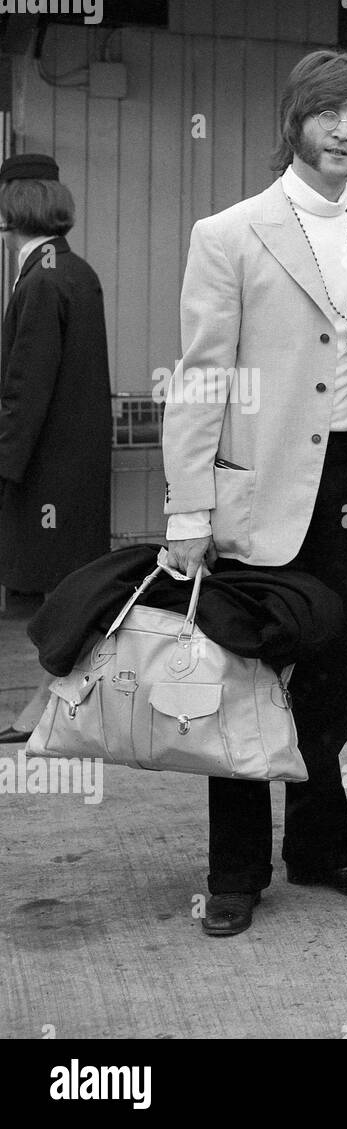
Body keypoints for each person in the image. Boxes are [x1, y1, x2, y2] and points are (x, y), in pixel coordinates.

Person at [162, 49, 347, 936]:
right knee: (240, 680)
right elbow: (198, 381)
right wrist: (187, 512)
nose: (346, 131)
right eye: (331, 113)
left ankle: (316, 841)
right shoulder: (227, 234)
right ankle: (234, 871)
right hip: (255, 489)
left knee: (338, 680)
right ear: (295, 121)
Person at [0, 155, 111, 745]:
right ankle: (51, 705)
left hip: (47, 471)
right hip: (76, 465)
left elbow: (26, 386)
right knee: (68, 590)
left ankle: (52, 707)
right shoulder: (72, 270)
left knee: (58, 596)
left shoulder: (41, 279)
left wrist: (6, 466)